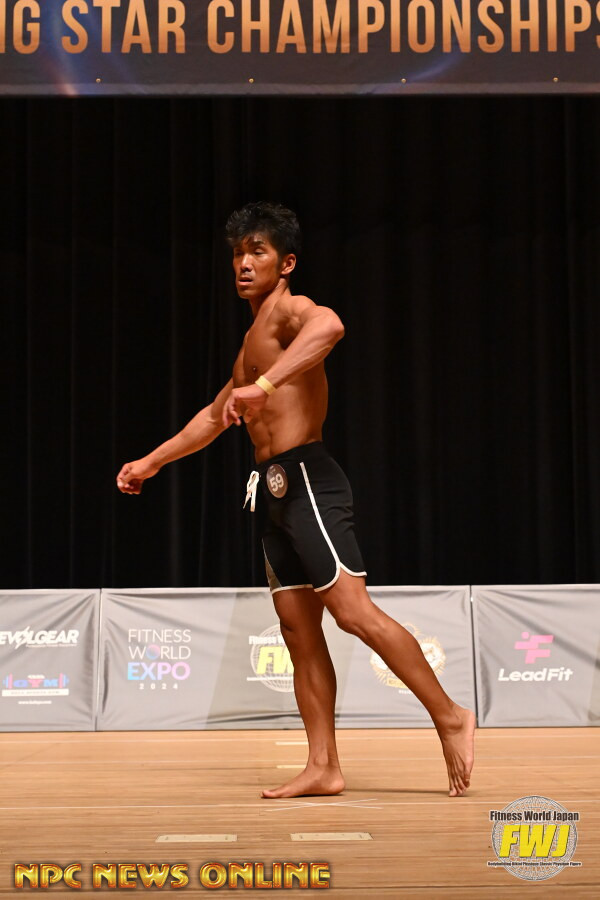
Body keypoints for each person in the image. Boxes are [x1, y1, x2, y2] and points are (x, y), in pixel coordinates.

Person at [116, 201, 475, 799]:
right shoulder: (252, 339)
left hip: (307, 478)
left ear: (285, 263)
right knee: (297, 630)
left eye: (256, 251)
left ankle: (450, 715)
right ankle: (323, 765)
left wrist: (263, 384)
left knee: (353, 613)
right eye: (237, 253)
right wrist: (152, 461)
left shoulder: (289, 312)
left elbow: (330, 327)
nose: (243, 263)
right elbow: (216, 415)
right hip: (272, 491)